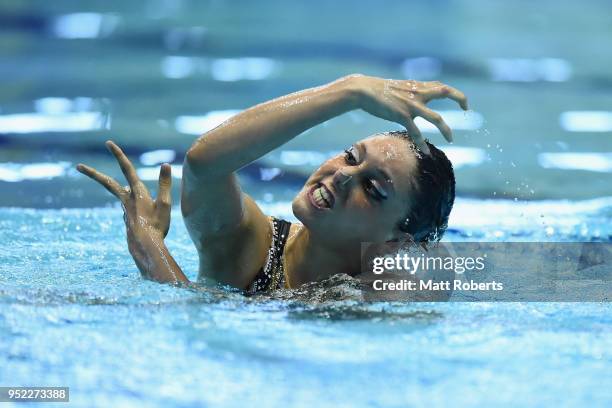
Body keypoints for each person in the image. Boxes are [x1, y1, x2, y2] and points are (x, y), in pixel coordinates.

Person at [77, 74, 468, 295]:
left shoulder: (391, 292)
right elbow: (204, 165)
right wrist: (348, 91)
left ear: (398, 242)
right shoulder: (251, 244)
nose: (344, 176)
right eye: (351, 156)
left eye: (373, 189)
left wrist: (150, 247)